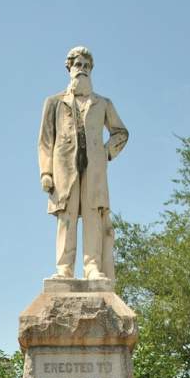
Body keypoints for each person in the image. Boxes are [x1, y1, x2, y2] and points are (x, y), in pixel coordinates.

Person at [38, 46, 128, 281]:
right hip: (64, 168)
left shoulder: (103, 103)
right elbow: (46, 140)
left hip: (94, 169)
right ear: (69, 68)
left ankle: (92, 267)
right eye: (78, 64)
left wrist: (106, 153)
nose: (82, 69)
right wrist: (46, 172)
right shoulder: (54, 102)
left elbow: (121, 133)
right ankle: (64, 269)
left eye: (87, 66)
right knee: (66, 217)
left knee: (93, 217)